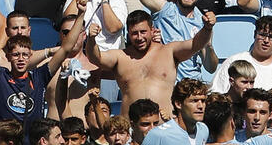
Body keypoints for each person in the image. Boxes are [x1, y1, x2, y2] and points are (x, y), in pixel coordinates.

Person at [86, 8, 215, 117]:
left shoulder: (169, 51)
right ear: (128, 34)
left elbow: (195, 44)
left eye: (143, 32)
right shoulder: (120, 56)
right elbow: (96, 58)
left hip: (163, 124)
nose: (139, 37)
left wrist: (207, 28)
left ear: (152, 30)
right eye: (134, 33)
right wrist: (91, 40)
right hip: (130, 130)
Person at [210, 16, 272, 92]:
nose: (266, 40)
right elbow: (216, 92)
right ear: (255, 34)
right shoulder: (234, 61)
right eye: (262, 35)